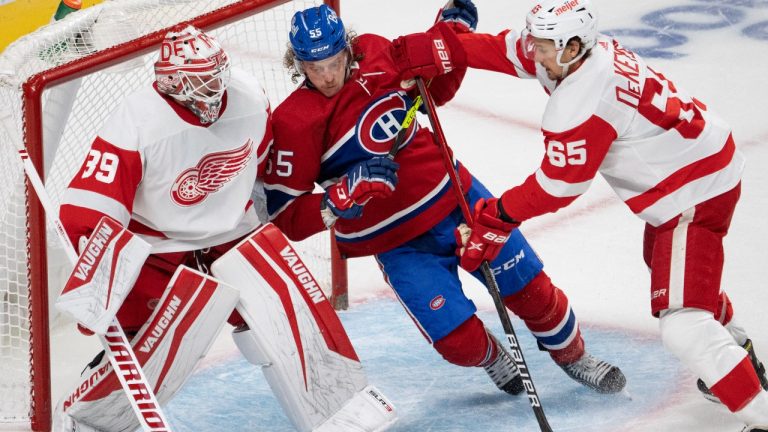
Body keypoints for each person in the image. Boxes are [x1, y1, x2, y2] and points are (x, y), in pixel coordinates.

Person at [264, 3, 626, 399]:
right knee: (458, 343)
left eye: (335, 61)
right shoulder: (293, 122)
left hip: (460, 202)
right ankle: (490, 356)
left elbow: (435, 92)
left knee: (533, 293)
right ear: (297, 63)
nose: (328, 75)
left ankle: (575, 357)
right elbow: (285, 219)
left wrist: (445, 47)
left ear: (347, 47)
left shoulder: (377, 52)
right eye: (314, 67)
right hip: (397, 244)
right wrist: (338, 197)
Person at [435, 0, 768, 429]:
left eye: (543, 45)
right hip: (697, 171)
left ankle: (760, 412)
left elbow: (560, 184)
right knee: (678, 280)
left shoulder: (584, 96)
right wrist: (443, 48)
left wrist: (499, 215)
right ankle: (740, 353)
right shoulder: (579, 53)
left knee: (683, 323)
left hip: (692, 196)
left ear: (572, 47)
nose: (534, 51)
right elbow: (509, 49)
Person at [54, 25, 396, 432]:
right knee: (162, 348)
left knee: (287, 304)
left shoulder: (250, 99)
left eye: (217, 74)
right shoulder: (138, 121)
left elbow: (263, 178)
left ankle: (340, 405)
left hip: (234, 230)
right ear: (171, 84)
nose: (214, 88)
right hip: (158, 244)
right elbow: (89, 208)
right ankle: (95, 420)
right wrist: (97, 285)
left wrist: (322, 204)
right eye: (201, 81)